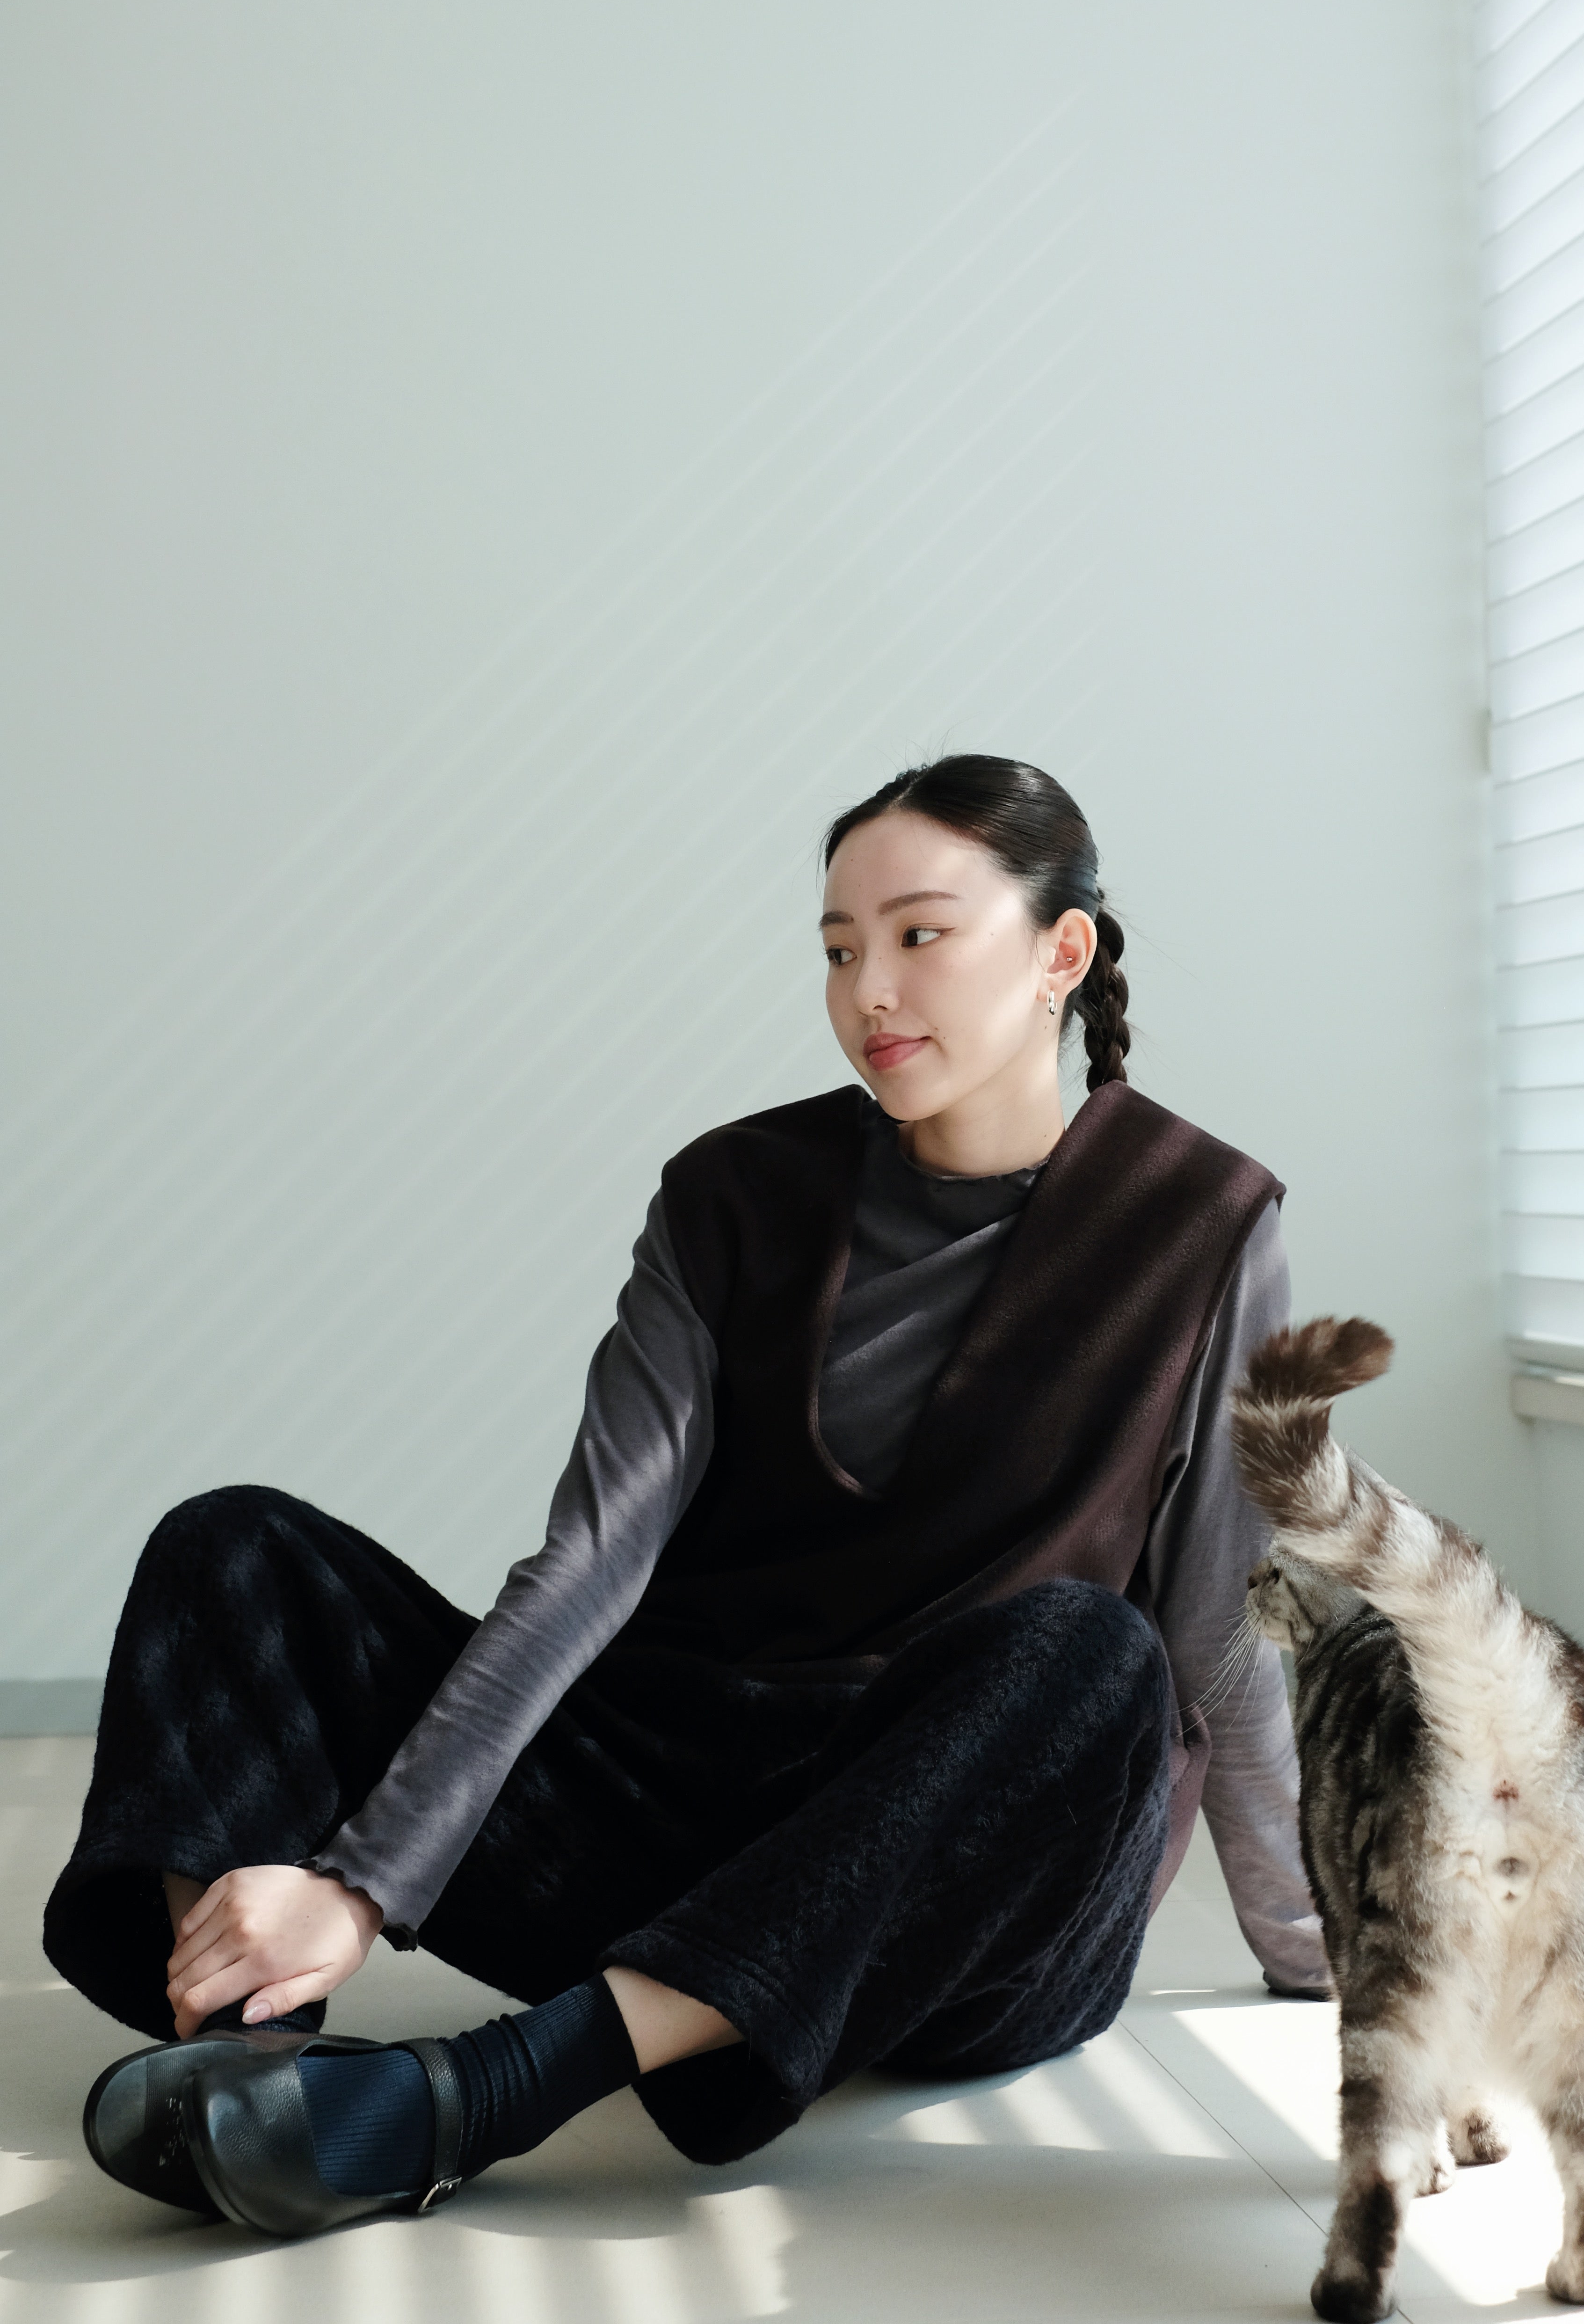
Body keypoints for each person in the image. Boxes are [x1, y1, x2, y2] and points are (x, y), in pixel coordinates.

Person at [47, 754, 1327, 2236]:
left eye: (920, 935)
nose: (869, 991)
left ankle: (485, 2094)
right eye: (839, 949)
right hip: (676, 1825)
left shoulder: (1204, 1218)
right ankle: (246, 2057)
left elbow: (1217, 1632)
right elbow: (590, 1564)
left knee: (1096, 1656)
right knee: (235, 1550)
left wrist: (1310, 1942)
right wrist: (363, 1884)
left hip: (961, 1907)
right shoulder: (731, 1195)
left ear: (1063, 952)